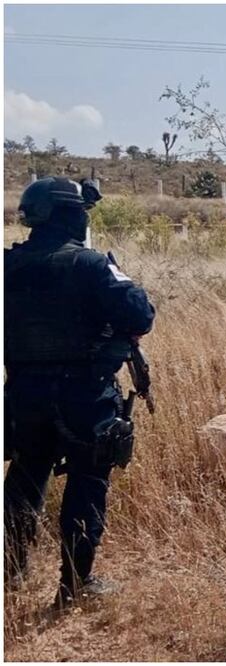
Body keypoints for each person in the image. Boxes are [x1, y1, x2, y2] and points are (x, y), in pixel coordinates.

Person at [4, 177, 156, 607]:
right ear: (68, 215)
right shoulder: (90, 265)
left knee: (24, 481)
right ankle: (74, 586)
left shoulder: (6, 266)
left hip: (24, 394)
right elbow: (140, 315)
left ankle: (11, 573)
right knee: (87, 483)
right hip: (85, 396)